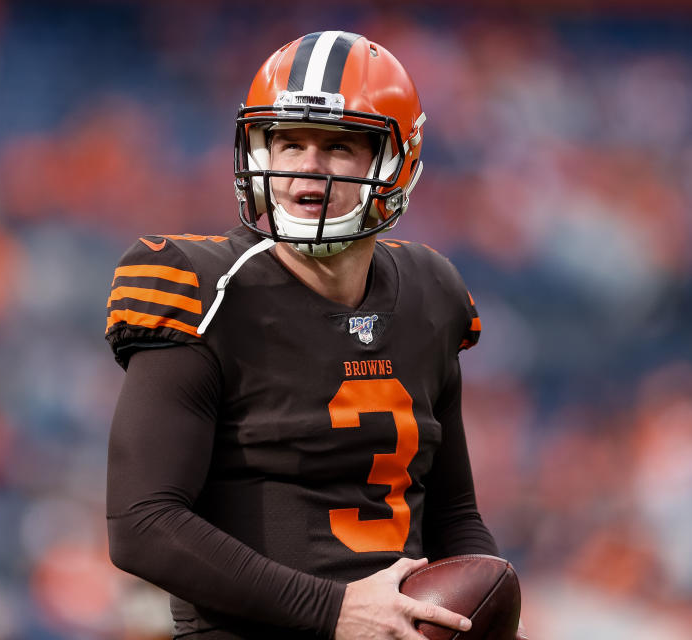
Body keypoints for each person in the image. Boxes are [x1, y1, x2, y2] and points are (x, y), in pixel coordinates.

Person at [105, 31, 526, 640]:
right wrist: (332, 611)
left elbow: (454, 514)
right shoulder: (202, 289)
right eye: (289, 141)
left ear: (394, 161)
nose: (308, 167)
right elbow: (142, 522)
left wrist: (473, 616)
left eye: (338, 146)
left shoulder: (431, 293)